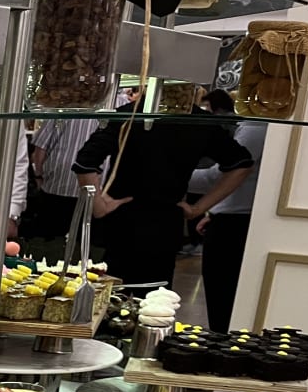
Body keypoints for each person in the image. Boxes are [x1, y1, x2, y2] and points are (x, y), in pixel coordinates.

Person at [72, 101, 254, 288]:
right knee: (155, 298)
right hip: (165, 223)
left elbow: (84, 163)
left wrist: (98, 206)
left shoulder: (130, 113)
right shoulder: (200, 120)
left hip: (122, 219)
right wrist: (198, 208)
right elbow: (242, 164)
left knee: (108, 293)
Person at [191, 120, 266, 333]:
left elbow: (221, 175)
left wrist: (167, 175)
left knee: (222, 304)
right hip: (235, 218)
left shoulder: (256, 127)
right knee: (224, 301)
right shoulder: (257, 126)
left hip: (235, 224)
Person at [23, 117, 100, 246]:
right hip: (94, 191)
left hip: (56, 187)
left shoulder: (60, 110)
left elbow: (39, 151)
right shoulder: (114, 110)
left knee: (46, 243)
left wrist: (38, 176)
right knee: (85, 246)